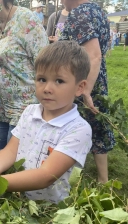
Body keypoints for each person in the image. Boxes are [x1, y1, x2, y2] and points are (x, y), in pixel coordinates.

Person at [0, 41, 92, 204]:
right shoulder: (30, 112)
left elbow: (47, 175)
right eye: (41, 79)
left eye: (59, 81)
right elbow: (10, 152)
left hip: (51, 211)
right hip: (19, 202)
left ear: (80, 87)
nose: (47, 88)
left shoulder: (78, 129)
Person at [0, 0, 49, 151]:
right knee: (2, 155)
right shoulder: (1, 23)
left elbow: (46, 65)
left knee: (15, 161)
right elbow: (9, 59)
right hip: (3, 109)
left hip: (24, 108)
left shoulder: (26, 20)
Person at [61, 0, 115, 183]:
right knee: (97, 126)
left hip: (83, 81)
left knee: (74, 126)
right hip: (97, 78)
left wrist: (85, 91)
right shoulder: (97, 11)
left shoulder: (80, 13)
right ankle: (103, 180)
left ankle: (68, 177)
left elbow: (94, 55)